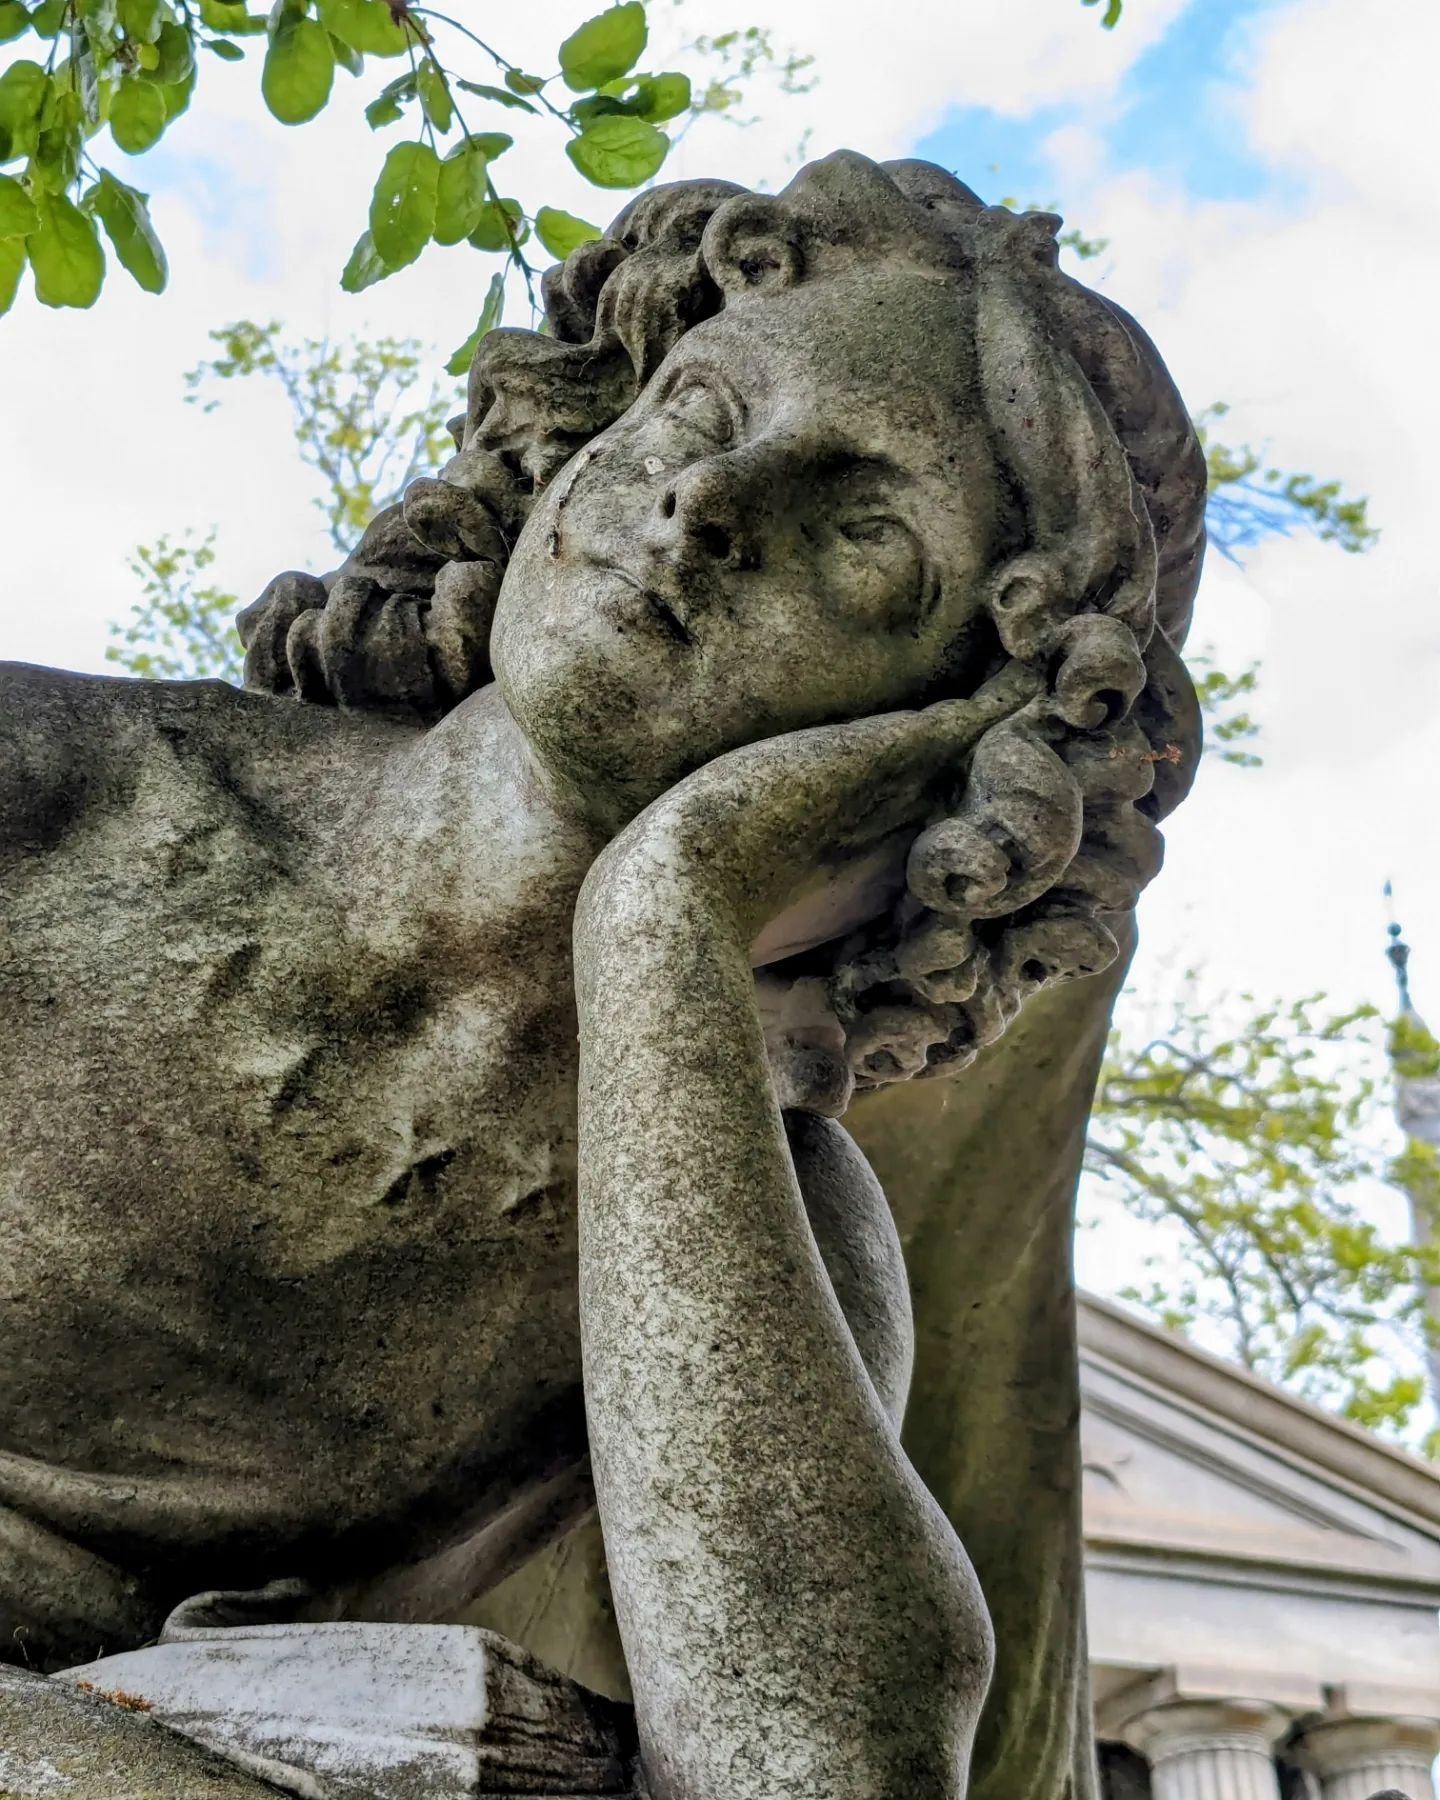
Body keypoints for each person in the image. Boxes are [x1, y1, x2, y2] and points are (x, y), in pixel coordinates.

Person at [0, 151, 1204, 1797]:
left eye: (864, 536)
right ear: (586, 433)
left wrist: (669, 918)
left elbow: (824, 1771)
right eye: (704, 414)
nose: (713, 508)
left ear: (944, 739)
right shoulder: (51, 790)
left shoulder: (725, 1191)